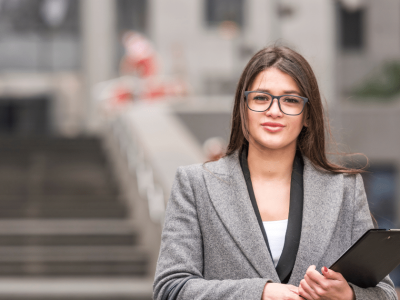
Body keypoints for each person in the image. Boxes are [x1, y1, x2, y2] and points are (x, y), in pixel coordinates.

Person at [153, 46, 398, 300]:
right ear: (243, 107)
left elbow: (386, 293)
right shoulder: (195, 185)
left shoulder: (345, 189)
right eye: (261, 98)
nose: (274, 110)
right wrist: (260, 292)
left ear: (307, 116)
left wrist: (348, 295)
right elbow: (170, 288)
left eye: (291, 100)